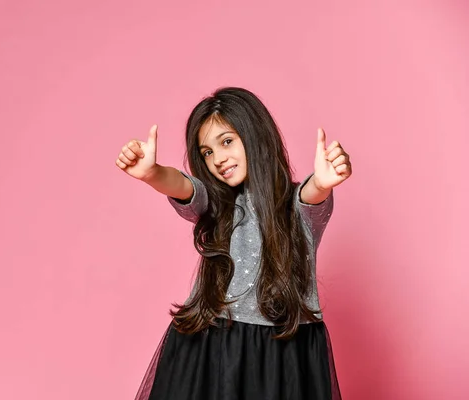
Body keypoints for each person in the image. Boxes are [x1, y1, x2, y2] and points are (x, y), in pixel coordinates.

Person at [115, 87, 351, 400]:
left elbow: (312, 194)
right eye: (207, 152)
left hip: (282, 353)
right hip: (211, 345)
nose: (218, 159)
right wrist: (153, 173)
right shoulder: (217, 205)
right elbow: (184, 186)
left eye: (226, 141)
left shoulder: (296, 206)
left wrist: (322, 183)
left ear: (255, 135)